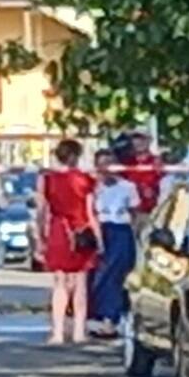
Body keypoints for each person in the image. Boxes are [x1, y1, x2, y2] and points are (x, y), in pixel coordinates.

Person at [36, 138, 99, 345]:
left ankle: (58, 332)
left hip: (58, 230)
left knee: (59, 282)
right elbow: (91, 212)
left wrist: (40, 238)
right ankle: (79, 331)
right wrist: (99, 238)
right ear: (75, 156)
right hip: (81, 230)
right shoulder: (85, 179)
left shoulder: (47, 179)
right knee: (81, 282)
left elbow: (41, 211)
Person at [87, 148, 141, 337]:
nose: (106, 169)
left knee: (114, 275)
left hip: (120, 231)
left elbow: (135, 214)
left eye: (110, 164)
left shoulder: (127, 187)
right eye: (102, 165)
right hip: (97, 230)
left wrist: (137, 237)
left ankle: (111, 319)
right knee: (95, 276)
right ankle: (94, 316)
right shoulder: (92, 187)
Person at [122, 130, 165, 215]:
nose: (138, 142)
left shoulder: (158, 162)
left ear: (149, 141)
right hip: (131, 212)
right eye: (135, 138)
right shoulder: (127, 163)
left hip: (155, 211)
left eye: (142, 138)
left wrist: (154, 192)